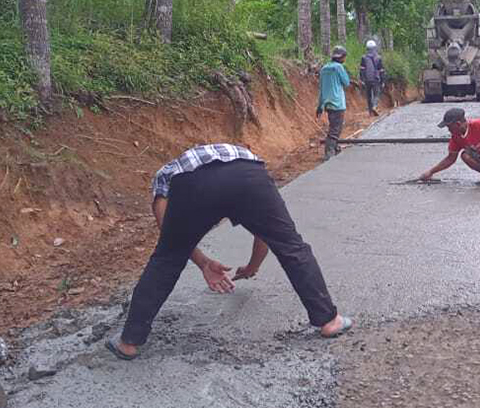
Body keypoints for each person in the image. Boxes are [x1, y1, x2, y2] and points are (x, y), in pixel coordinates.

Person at [107, 144, 352, 360]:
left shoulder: (167, 174)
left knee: (166, 259)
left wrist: (202, 262)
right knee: (290, 245)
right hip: (248, 177)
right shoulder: (244, 156)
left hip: (193, 185)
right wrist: (253, 266)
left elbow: (169, 237)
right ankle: (329, 321)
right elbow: (265, 233)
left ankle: (129, 342)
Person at [419, 108, 480, 189]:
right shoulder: (456, 137)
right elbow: (450, 159)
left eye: (449, 127)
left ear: (457, 124)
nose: (448, 130)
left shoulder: (478, 124)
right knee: (464, 155)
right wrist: (431, 172)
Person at [317, 46, 351, 160]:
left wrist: (319, 106)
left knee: (333, 126)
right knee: (335, 130)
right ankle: (329, 154)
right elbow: (346, 82)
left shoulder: (323, 69)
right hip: (338, 103)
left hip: (327, 104)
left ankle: (335, 148)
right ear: (341, 57)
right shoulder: (339, 68)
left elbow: (321, 89)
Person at [360, 39, 385, 116]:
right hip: (376, 79)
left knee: (368, 96)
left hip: (367, 79)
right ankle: (374, 106)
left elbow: (362, 70)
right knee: (377, 94)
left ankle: (370, 112)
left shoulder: (364, 57)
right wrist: (383, 81)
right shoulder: (378, 57)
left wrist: (362, 79)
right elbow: (381, 70)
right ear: (375, 48)